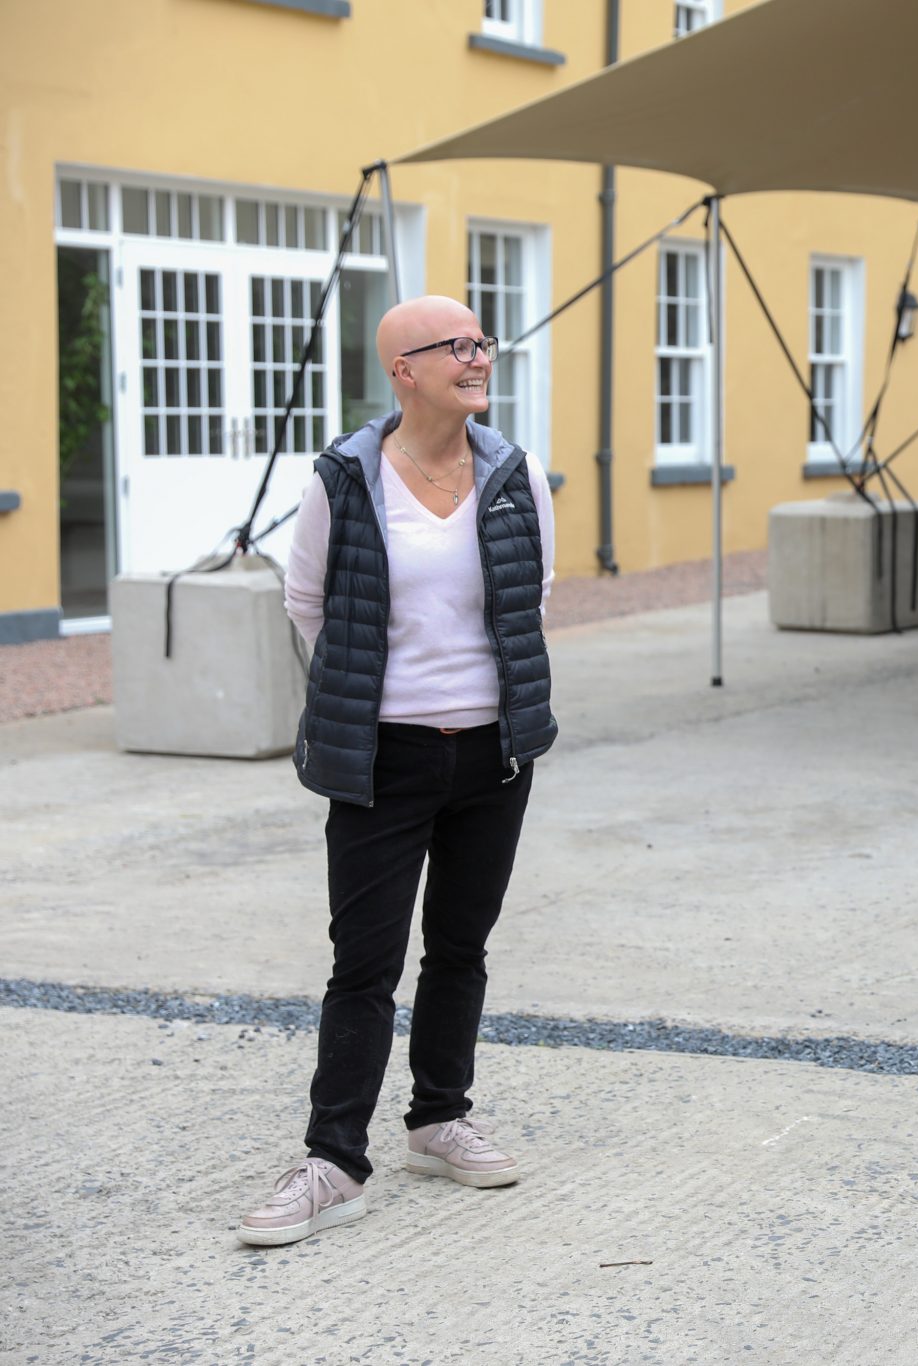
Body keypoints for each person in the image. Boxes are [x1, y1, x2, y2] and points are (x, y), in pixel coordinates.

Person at [236, 294, 558, 1246]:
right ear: (403, 370)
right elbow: (307, 602)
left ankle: (439, 1119)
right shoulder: (344, 478)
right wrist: (373, 695)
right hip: (383, 755)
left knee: (461, 944)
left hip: (492, 752)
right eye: (454, 346)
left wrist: (472, 697)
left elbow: (532, 593)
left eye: (481, 342)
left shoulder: (515, 472)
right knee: (364, 963)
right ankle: (333, 1160)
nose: (478, 356)